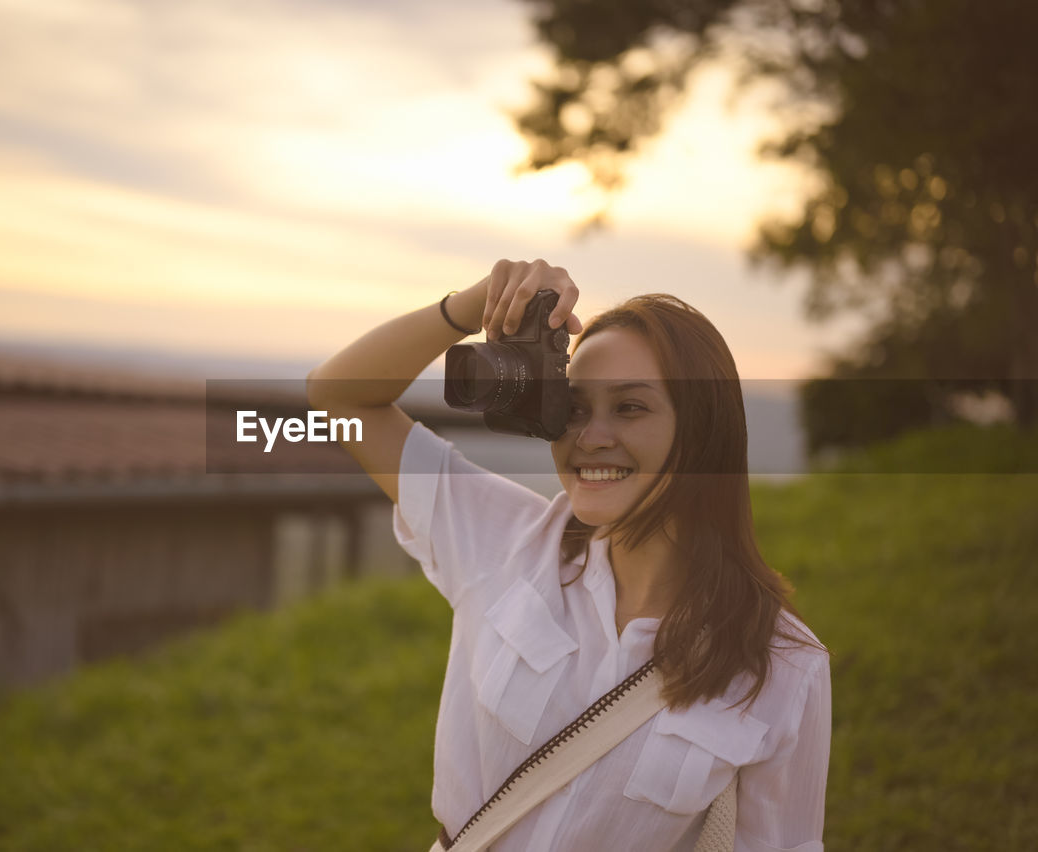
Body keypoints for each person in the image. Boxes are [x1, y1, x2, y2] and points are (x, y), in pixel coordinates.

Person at [306, 259, 830, 851]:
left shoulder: (783, 665)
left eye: (630, 408)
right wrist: (471, 306)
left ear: (703, 431)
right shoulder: (504, 539)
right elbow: (338, 398)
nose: (591, 436)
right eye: (574, 407)